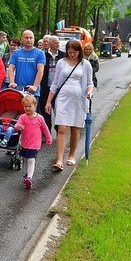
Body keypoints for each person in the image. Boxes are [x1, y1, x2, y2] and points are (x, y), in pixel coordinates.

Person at [45, 40, 94, 171]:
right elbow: (55, 83)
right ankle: (59, 160)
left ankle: (71, 155)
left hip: (79, 100)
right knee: (61, 128)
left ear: (79, 51)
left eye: (74, 52)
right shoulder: (61, 63)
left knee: (74, 129)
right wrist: (49, 101)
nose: (72, 54)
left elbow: (90, 83)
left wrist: (89, 92)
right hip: (62, 98)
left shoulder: (86, 64)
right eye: (69, 52)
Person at [14, 95, 52, 188]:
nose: (27, 108)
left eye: (29, 106)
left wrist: (48, 138)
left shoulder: (39, 118)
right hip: (24, 143)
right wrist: (18, 127)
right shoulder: (23, 117)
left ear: (35, 105)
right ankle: (26, 174)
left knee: (31, 160)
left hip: (34, 144)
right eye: (25, 106)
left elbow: (45, 129)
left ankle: (29, 178)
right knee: (25, 160)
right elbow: (16, 125)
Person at [39, 35, 66, 130]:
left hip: (60, 88)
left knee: (59, 109)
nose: (58, 44)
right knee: (45, 110)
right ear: (50, 44)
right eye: (55, 43)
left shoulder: (63, 56)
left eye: (58, 42)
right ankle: (46, 131)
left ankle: (59, 129)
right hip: (46, 87)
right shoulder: (43, 55)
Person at [8, 30, 46, 97]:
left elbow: (40, 71)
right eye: (26, 38)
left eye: (31, 38)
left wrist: (35, 86)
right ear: (21, 39)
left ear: (34, 39)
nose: (29, 40)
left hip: (33, 91)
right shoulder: (16, 53)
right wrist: (12, 82)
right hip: (18, 90)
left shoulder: (40, 53)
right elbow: (11, 68)